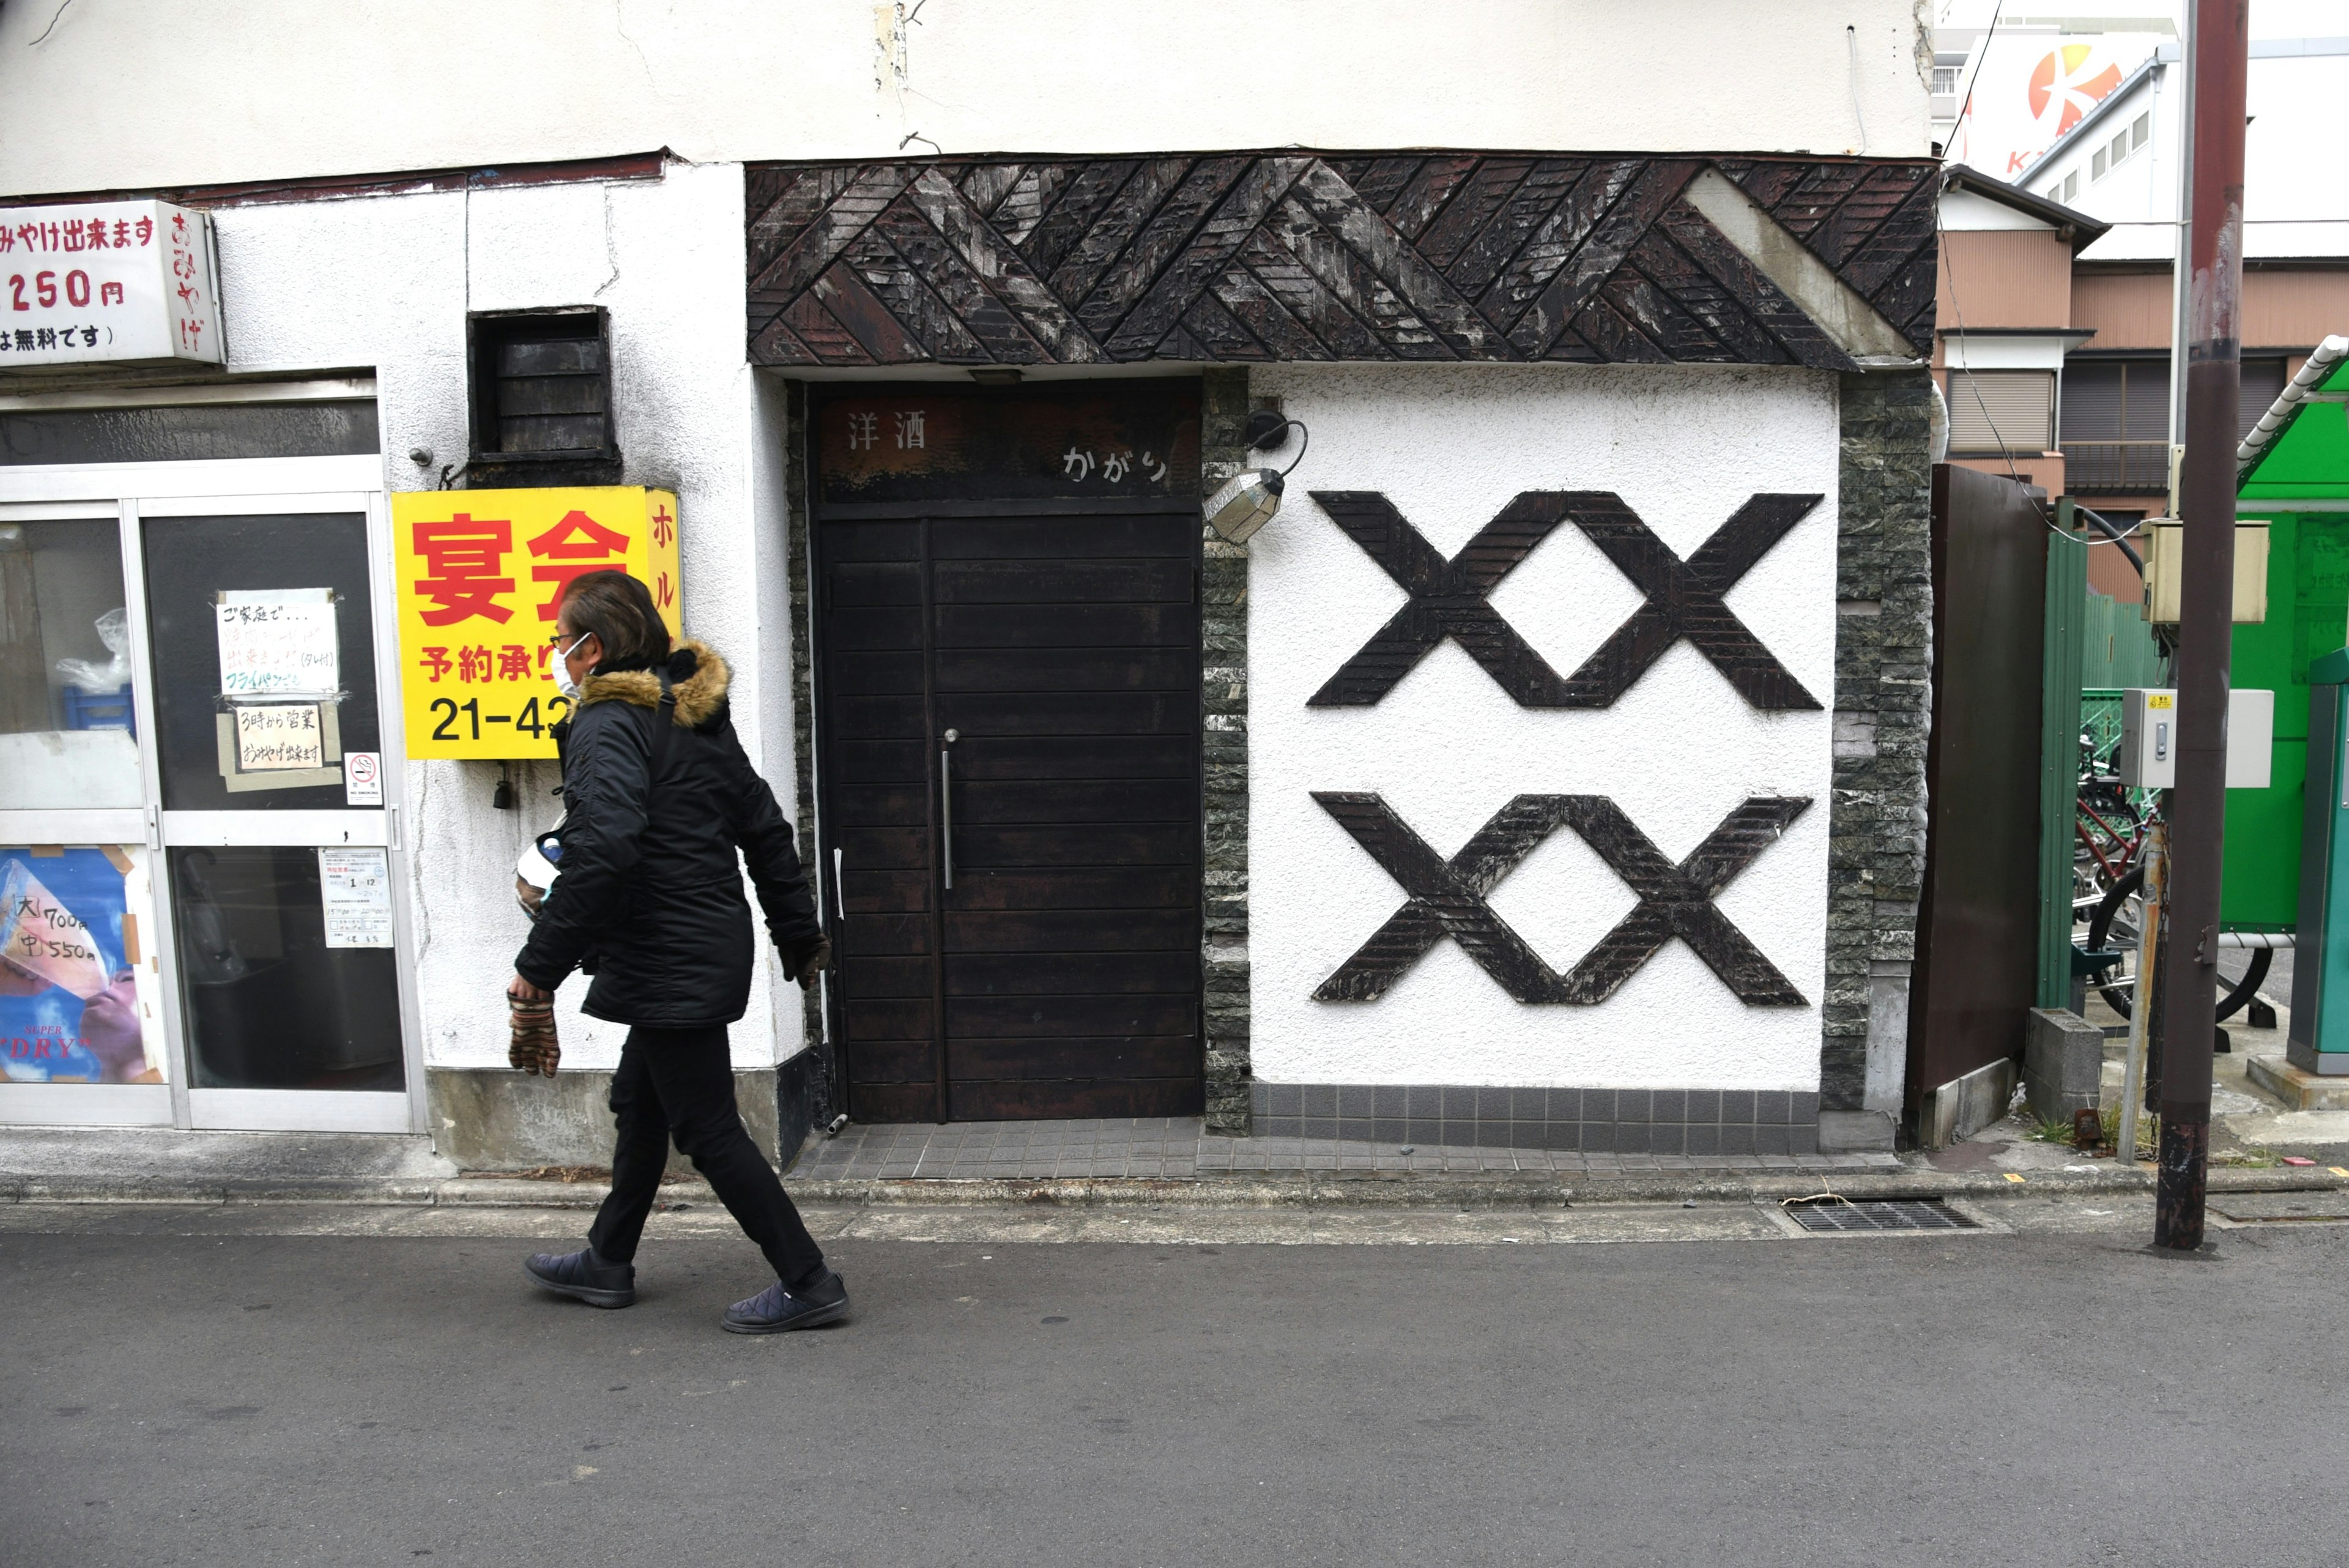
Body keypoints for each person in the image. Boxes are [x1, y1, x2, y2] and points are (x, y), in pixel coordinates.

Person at [512, 570, 844, 1334]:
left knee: (706, 1127)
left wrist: (539, 966)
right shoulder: (689, 716)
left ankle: (809, 1279)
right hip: (697, 946)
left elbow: (607, 852)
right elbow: (763, 826)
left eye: (560, 641)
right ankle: (607, 1259)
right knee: (642, 1101)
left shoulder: (608, 722)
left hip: (668, 956)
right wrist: (797, 932)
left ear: (592, 648)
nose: (556, 653)